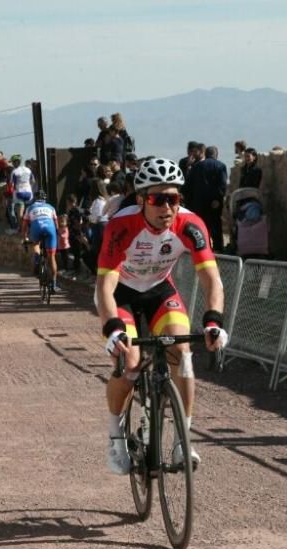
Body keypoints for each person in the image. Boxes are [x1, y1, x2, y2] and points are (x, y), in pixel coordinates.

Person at [96, 157, 229, 475]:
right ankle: (116, 437)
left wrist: (213, 320)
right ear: (141, 199)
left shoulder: (190, 224)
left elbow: (212, 278)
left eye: (174, 198)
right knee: (129, 362)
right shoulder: (122, 225)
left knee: (182, 353)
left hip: (159, 291)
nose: (166, 207)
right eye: (158, 199)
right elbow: (105, 283)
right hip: (122, 294)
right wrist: (112, 327)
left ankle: (183, 441)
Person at [183, 145, 229, 252]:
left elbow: (188, 185)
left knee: (201, 225)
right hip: (214, 203)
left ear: (206, 154)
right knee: (216, 225)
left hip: (199, 203)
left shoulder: (197, 166)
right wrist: (218, 199)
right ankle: (218, 248)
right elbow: (222, 185)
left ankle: (203, 248)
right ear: (216, 155)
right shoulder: (221, 166)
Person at [23, 191, 60, 293]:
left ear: (35, 198)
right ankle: (54, 284)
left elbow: (25, 225)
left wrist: (25, 237)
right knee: (51, 257)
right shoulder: (51, 207)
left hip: (36, 228)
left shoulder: (30, 208)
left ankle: (37, 259)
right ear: (45, 199)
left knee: (36, 244)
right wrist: (56, 235)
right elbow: (56, 224)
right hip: (50, 228)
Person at [10, 155, 35, 224]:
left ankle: (21, 228)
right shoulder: (28, 169)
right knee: (29, 211)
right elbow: (33, 181)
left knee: (20, 212)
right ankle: (30, 227)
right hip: (29, 193)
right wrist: (29, 187)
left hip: (19, 193)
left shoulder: (14, 171)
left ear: (14, 162)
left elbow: (11, 184)